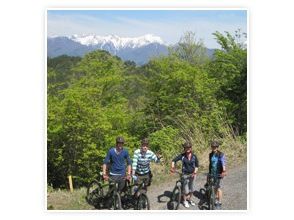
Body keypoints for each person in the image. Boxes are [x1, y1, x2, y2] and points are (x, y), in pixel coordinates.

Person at [171, 141, 199, 208]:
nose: (188, 149)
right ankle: (185, 201)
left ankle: (189, 199)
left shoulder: (194, 156)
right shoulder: (182, 156)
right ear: (184, 148)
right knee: (185, 190)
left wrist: (194, 172)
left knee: (192, 189)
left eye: (189, 147)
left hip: (193, 174)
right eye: (186, 148)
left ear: (191, 148)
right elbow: (173, 160)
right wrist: (172, 167)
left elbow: (197, 166)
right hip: (185, 175)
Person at [208, 141, 227, 209]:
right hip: (212, 172)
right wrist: (209, 172)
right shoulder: (210, 154)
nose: (214, 148)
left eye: (215, 147)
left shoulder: (221, 154)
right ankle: (215, 198)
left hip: (219, 173)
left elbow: (223, 163)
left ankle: (219, 201)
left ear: (217, 147)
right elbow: (210, 164)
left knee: (218, 188)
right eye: (212, 147)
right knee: (213, 186)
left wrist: (224, 171)